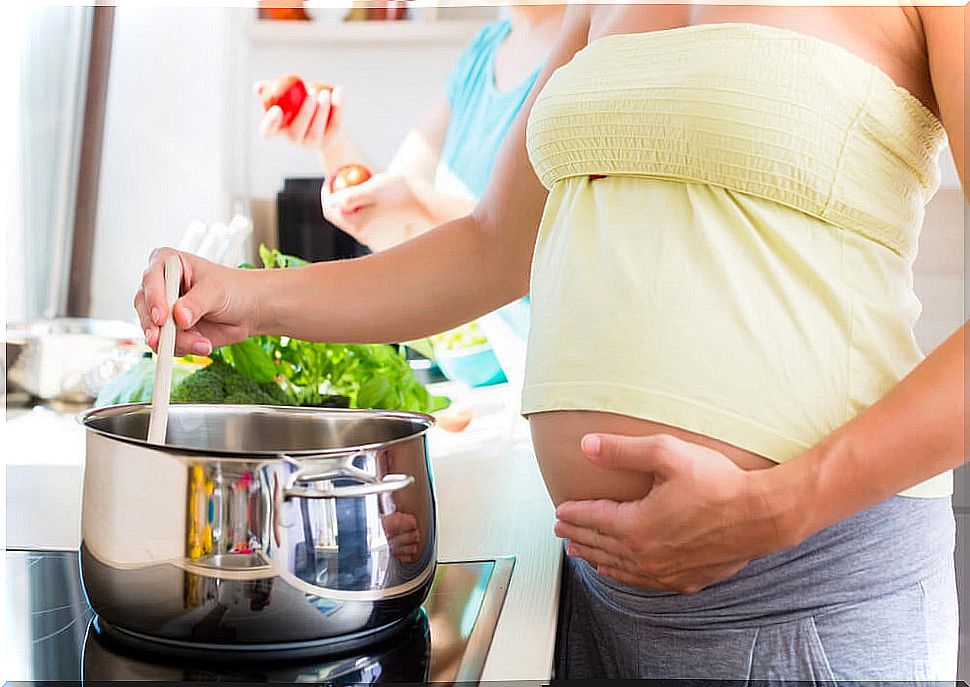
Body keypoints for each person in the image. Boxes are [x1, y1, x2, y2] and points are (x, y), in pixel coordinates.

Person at [136, 3, 966, 681]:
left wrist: (778, 508)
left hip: (803, 590)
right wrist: (250, 294)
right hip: (596, 592)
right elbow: (491, 245)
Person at [257, 5, 563, 387]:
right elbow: (395, 224)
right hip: (481, 382)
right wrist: (331, 141)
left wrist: (418, 201)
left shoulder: (585, 49)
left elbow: (552, 239)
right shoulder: (483, 52)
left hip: (551, 378)